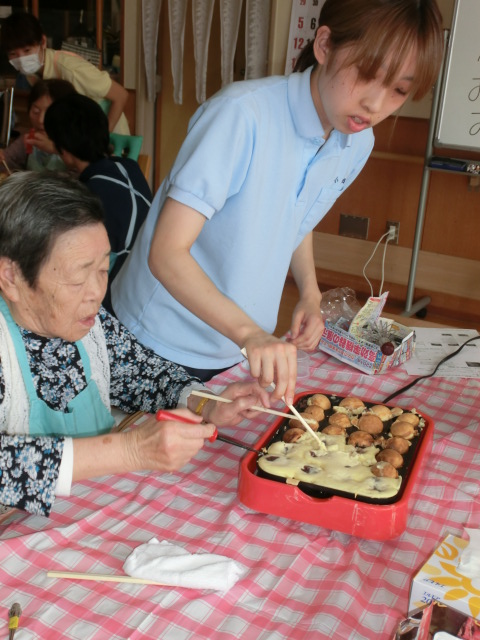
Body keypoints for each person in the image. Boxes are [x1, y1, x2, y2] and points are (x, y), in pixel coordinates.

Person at [111, 0, 444, 406]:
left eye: (398, 90)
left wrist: (309, 291)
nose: (376, 105)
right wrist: (251, 335)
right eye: (367, 74)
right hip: (159, 341)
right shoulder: (242, 115)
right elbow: (166, 253)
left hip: (235, 348)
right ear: (324, 46)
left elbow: (295, 217)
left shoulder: (356, 140)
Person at [0, 172, 270, 518]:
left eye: (103, 269)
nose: (97, 292)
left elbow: (144, 375)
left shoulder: (91, 322)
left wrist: (207, 404)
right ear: (11, 277)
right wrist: (130, 450)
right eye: (79, 277)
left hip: (89, 510)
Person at [44, 93, 152, 313]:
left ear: (63, 149)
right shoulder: (129, 167)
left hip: (112, 304)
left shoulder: (87, 198)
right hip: (146, 289)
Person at [2, 12, 129, 134]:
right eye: (13, 54)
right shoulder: (29, 76)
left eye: (27, 50)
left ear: (43, 42)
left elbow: (121, 95)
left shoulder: (71, 69)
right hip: (76, 135)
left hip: (108, 136)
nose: (22, 60)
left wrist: (104, 137)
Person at [0, 78, 76, 173]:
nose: (41, 120)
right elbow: (6, 162)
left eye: (50, 113)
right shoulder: (29, 140)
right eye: (36, 112)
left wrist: (56, 149)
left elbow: (86, 172)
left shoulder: (78, 143)